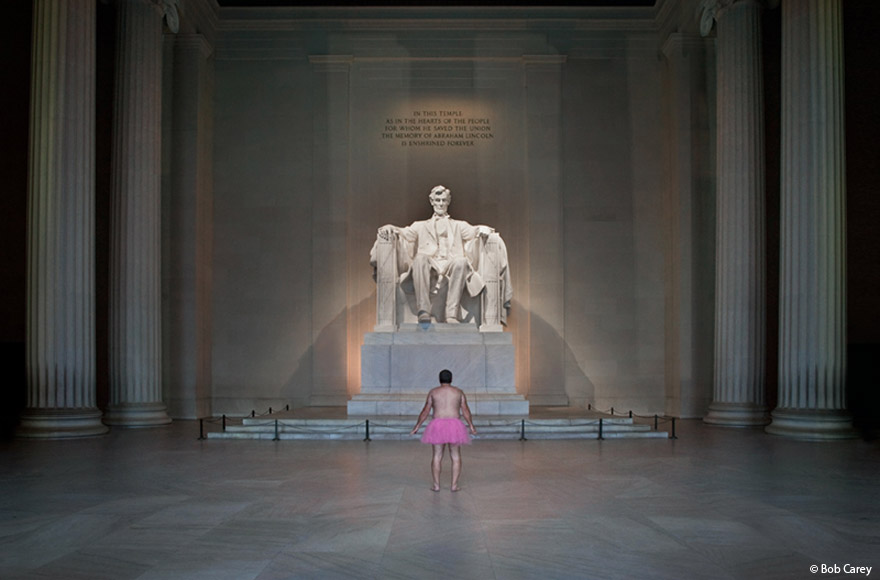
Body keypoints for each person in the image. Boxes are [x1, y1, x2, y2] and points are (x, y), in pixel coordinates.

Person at [378, 185, 493, 323]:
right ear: (432, 201)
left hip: (451, 262)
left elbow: (473, 231)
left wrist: (483, 228)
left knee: (462, 261)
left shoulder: (458, 225)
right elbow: (404, 232)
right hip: (430, 263)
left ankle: (451, 313)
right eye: (437, 200)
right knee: (420, 258)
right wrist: (391, 227)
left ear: (448, 202)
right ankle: (424, 311)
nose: (441, 204)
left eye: (444, 200)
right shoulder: (420, 225)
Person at [410, 369, 478, 492]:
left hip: (437, 425)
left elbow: (425, 411)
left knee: (437, 455)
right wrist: (471, 426)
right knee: (456, 456)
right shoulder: (458, 392)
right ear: (451, 379)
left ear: (439, 379)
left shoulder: (434, 392)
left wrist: (417, 426)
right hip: (455, 425)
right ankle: (454, 485)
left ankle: (436, 485)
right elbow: (465, 410)